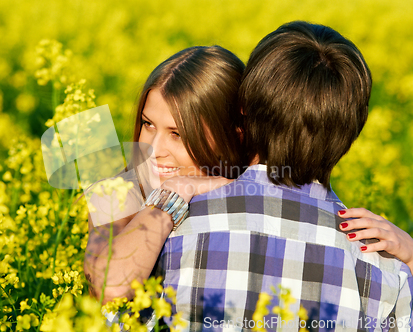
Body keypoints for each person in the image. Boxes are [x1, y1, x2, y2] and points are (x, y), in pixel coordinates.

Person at [149, 21, 413, 331]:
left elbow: (112, 314)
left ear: (243, 107)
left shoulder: (168, 224)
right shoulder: (380, 265)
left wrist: (111, 200)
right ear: (356, 127)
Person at [83, 45, 246, 303]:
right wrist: (174, 194)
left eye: (177, 134)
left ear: (233, 135)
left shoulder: (251, 194)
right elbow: (109, 288)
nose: (153, 149)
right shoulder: (115, 195)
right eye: (148, 124)